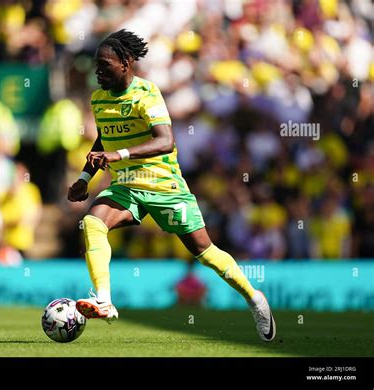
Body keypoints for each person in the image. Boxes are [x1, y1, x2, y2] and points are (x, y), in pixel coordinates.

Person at [67, 30, 276, 342]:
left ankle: (254, 298)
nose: (97, 71)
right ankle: (104, 299)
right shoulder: (99, 99)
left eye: (103, 64)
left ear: (125, 63)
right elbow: (104, 138)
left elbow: (166, 141)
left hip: (163, 185)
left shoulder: (147, 94)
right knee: (92, 222)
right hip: (125, 185)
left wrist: (118, 154)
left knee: (204, 252)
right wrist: (85, 179)